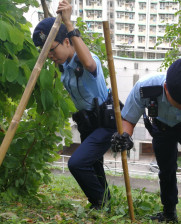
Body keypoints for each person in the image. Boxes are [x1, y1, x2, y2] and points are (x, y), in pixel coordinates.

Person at [111, 59, 181, 224]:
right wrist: (125, 136)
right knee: (166, 168)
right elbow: (128, 120)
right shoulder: (145, 88)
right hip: (162, 126)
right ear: (166, 88)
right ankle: (169, 213)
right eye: (180, 101)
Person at [32, 0, 117, 210]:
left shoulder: (86, 60)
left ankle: (99, 204)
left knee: (76, 163)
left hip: (106, 121)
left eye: (52, 50)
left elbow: (89, 64)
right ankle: (105, 202)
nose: (51, 57)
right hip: (87, 123)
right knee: (94, 164)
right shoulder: (63, 66)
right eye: (46, 54)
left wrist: (69, 25)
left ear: (68, 42)